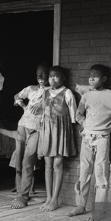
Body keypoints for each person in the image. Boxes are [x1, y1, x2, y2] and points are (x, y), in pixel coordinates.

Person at [66, 64, 111, 221]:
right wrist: (86, 125)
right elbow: (78, 114)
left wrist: (109, 128)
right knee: (84, 171)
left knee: (100, 173)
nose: (91, 78)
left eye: (95, 76)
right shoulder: (87, 96)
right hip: (87, 137)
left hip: (102, 139)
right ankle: (80, 205)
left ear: (104, 79)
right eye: (90, 76)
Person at [10, 62, 50, 209]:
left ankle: (23, 196)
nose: (40, 76)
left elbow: (54, 106)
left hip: (36, 129)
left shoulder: (52, 91)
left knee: (28, 161)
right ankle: (19, 191)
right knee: (19, 161)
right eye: (38, 73)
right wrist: (23, 106)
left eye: (43, 73)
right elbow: (17, 96)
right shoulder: (31, 89)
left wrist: (42, 105)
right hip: (22, 126)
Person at [37, 66, 77, 212]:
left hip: (61, 130)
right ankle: (48, 197)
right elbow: (42, 112)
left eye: (56, 76)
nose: (52, 79)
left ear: (63, 78)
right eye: (50, 76)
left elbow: (73, 115)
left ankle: (55, 199)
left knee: (58, 164)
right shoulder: (45, 92)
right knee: (47, 163)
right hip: (47, 130)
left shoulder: (67, 93)